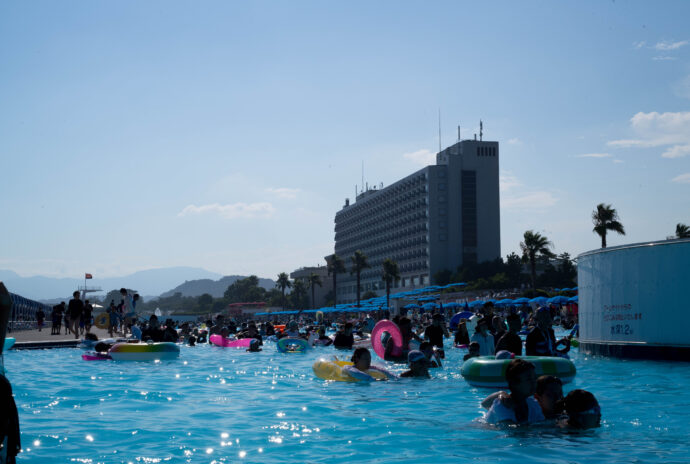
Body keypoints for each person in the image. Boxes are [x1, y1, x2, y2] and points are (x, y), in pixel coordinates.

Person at [484, 358, 545, 425]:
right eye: (529, 379)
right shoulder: (502, 405)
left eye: (535, 378)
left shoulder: (533, 404)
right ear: (514, 383)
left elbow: (542, 425)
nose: (534, 382)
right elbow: (511, 431)